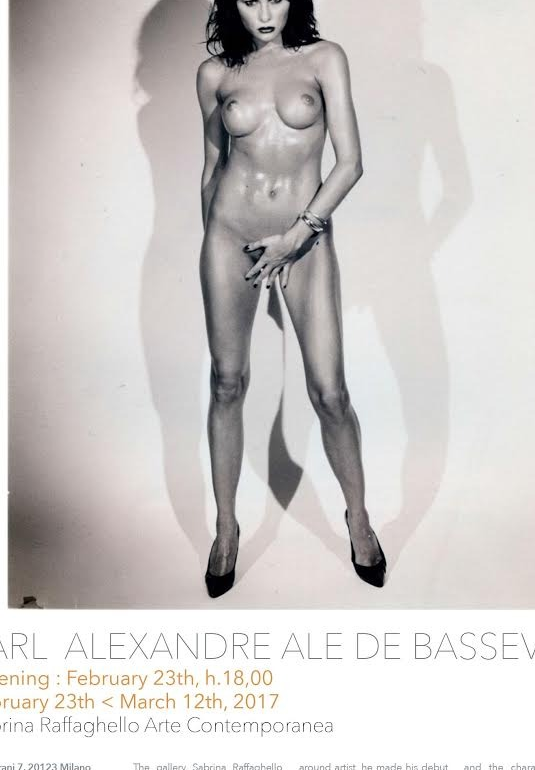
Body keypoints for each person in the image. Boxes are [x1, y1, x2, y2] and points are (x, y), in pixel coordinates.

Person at [197, 0, 385, 597]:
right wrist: (217, 245)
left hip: (302, 238)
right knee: (227, 383)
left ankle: (358, 518)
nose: (264, 12)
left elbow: (350, 163)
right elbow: (213, 166)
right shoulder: (215, 73)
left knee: (330, 392)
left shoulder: (324, 58)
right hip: (230, 236)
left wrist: (296, 236)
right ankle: (226, 529)